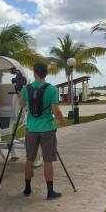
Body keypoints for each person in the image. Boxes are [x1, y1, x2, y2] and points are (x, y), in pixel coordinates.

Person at [18, 62, 66, 199]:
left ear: (35, 73)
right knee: (48, 160)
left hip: (31, 129)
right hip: (47, 129)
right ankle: (50, 192)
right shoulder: (51, 89)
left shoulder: (27, 89)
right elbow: (56, 111)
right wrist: (62, 121)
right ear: (46, 73)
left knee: (29, 159)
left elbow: (22, 105)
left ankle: (27, 189)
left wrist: (21, 95)